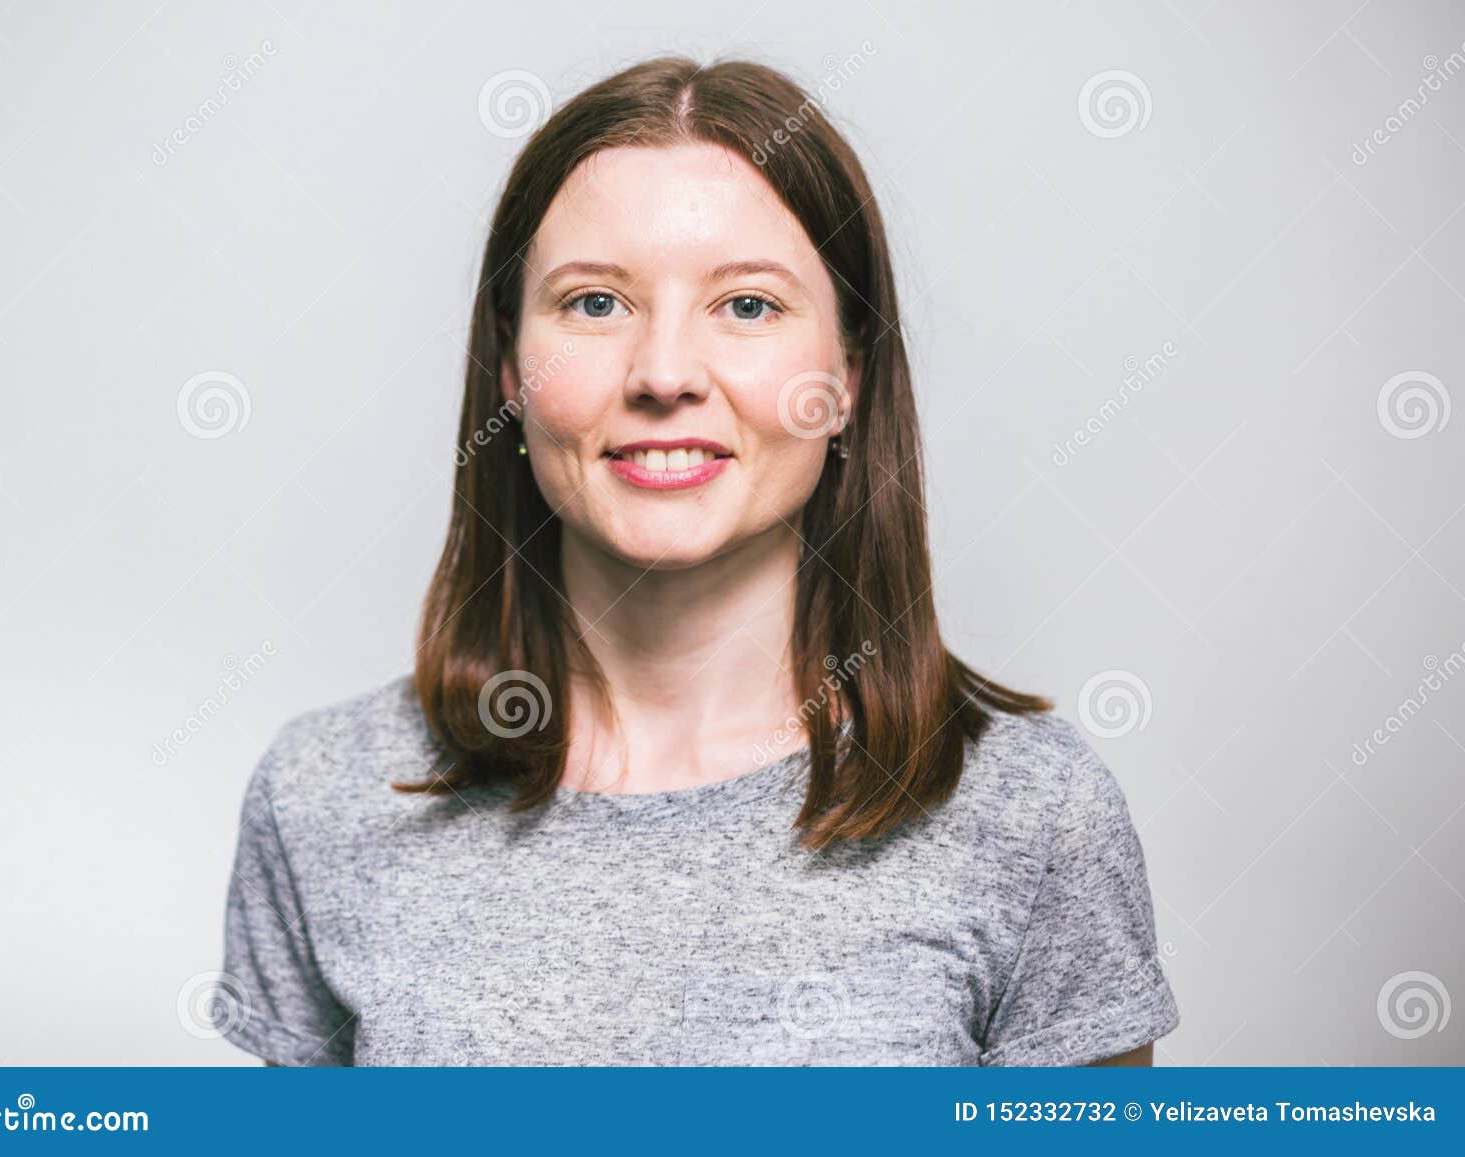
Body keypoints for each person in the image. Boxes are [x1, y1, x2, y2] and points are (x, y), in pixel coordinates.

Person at [219, 55, 1179, 1067]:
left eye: (749, 305)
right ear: (510, 369)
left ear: (847, 376)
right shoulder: (323, 794)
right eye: (594, 302)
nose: (664, 373)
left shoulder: (1032, 814)